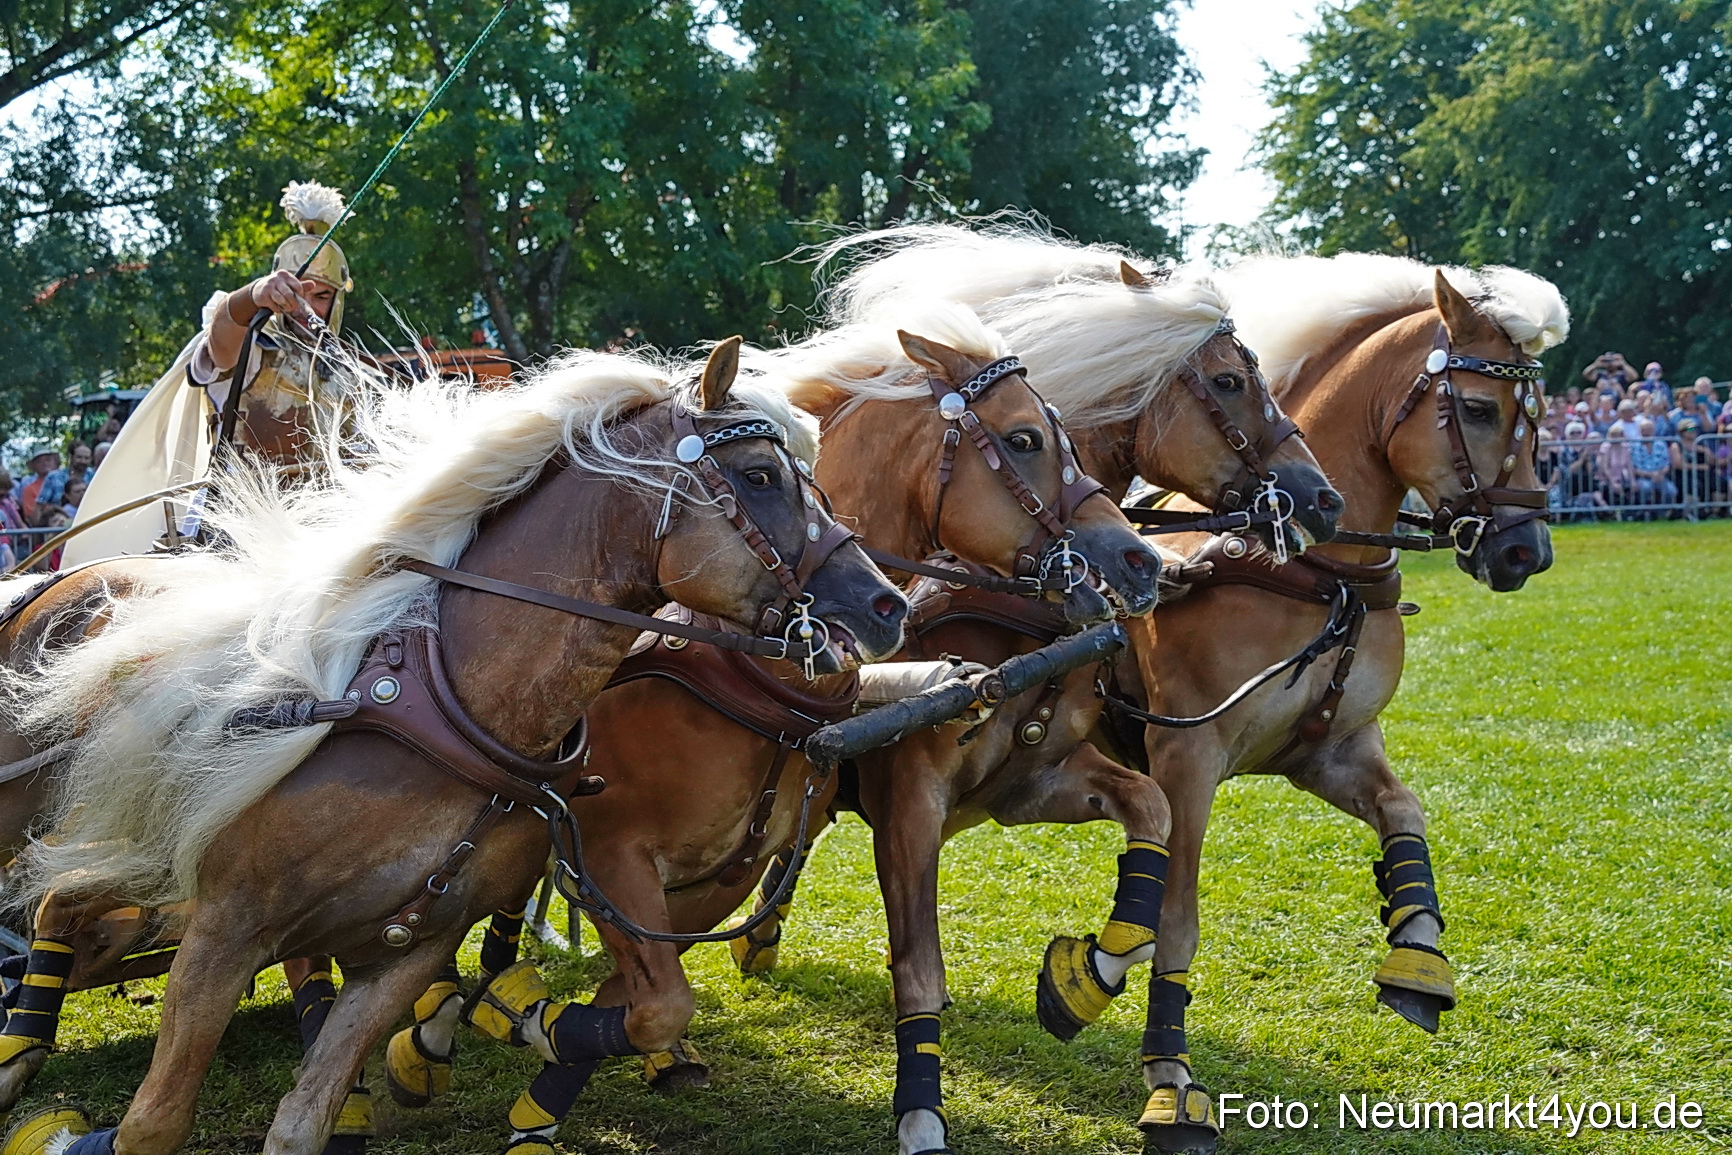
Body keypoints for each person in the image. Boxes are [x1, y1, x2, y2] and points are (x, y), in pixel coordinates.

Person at [185, 181, 358, 470]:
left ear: (337, 301)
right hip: (238, 510)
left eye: (321, 296)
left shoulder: (350, 373)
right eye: (297, 293)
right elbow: (224, 339)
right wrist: (254, 294)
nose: (305, 306)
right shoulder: (253, 348)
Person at [1628, 417, 1677, 516]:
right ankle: (1644, 513)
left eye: (1649, 430)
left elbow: (1667, 463)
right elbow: (1633, 468)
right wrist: (1651, 475)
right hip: (1642, 478)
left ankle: (1662, 514)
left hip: (1660, 476)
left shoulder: (1661, 444)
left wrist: (1660, 474)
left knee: (1671, 491)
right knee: (1646, 488)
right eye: (1644, 430)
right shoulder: (1634, 445)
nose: (1646, 432)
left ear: (1653, 430)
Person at [15, 445, 60, 527]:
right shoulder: (29, 489)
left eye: (48, 460)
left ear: (55, 462)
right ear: (33, 466)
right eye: (39, 461)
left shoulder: (62, 482)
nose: (44, 463)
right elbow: (32, 515)